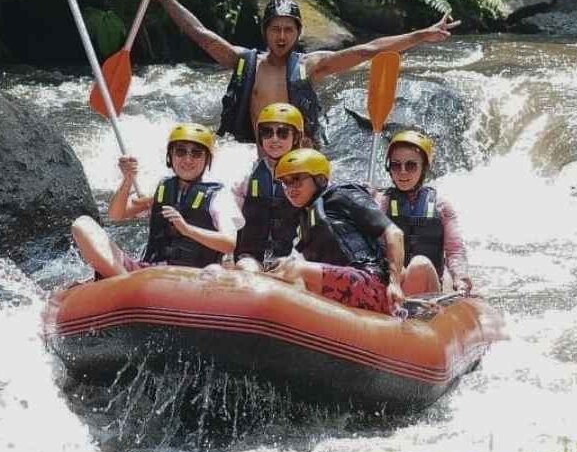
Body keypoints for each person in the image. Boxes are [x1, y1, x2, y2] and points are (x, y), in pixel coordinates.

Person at [134, 0, 460, 144]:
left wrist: (421, 34)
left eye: (288, 30)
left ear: (298, 33)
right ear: (265, 32)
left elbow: (368, 50)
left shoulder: (312, 66)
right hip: (257, 153)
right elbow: (201, 35)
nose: (281, 36)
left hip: (300, 159)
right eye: (275, 29)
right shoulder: (244, 62)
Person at [71, 124, 243, 278]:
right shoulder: (163, 190)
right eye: (180, 152)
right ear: (170, 156)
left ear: (207, 159)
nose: (188, 159)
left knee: (215, 270)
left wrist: (187, 229)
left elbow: (229, 244)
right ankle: (126, 284)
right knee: (82, 225)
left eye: (196, 153)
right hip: (150, 273)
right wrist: (127, 180)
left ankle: (129, 287)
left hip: (193, 278)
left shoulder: (218, 197)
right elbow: (117, 214)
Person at [267, 148, 405, 316]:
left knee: (295, 269)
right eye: (285, 183)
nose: (290, 189)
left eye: (296, 180)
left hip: (372, 282)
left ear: (319, 179)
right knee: (284, 269)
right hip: (339, 286)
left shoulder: (343, 194)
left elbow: (394, 233)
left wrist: (395, 283)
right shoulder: (305, 219)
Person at [379, 129, 472, 296]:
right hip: (394, 283)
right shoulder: (381, 203)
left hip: (429, 288)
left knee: (419, 265)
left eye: (411, 165)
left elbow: (455, 250)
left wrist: (460, 278)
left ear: (424, 168)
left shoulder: (442, 207)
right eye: (395, 165)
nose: (402, 171)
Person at [232, 102, 304, 271]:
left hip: (292, 258)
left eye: (283, 133)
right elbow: (230, 216)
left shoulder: (308, 176)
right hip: (252, 258)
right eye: (267, 132)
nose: (274, 139)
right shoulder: (248, 173)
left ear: (296, 138)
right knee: (245, 269)